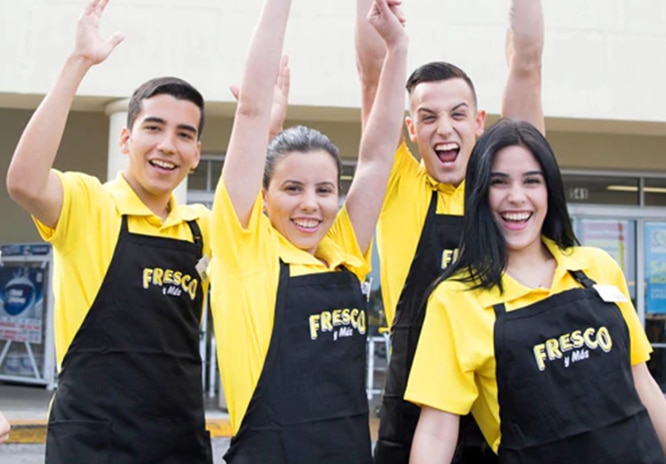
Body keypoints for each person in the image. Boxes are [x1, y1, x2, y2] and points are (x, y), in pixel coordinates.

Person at [406, 118, 666, 464]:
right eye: (499, 183)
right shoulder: (455, 300)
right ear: (480, 193)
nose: (517, 197)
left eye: (532, 181)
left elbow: (642, 383)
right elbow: (437, 430)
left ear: (550, 191)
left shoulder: (597, 268)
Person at [6, 1, 213, 462]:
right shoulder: (88, 202)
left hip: (179, 441)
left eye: (184, 135)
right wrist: (78, 63)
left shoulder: (202, 228)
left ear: (197, 153)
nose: (167, 146)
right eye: (153, 128)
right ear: (126, 139)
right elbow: (23, 181)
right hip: (92, 443)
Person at [208, 0, 407, 462]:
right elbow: (252, 113)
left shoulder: (343, 250)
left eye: (325, 189)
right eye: (292, 188)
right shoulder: (245, 252)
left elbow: (379, 155)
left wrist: (398, 50)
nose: (311, 204)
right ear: (264, 195)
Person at [355, 0, 545, 461]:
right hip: (412, 401)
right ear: (411, 129)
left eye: (458, 114)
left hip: (499, 400)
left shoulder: (503, 187)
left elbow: (526, 63)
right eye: (428, 117)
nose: (444, 128)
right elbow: (371, 75)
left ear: (480, 124)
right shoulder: (396, 181)